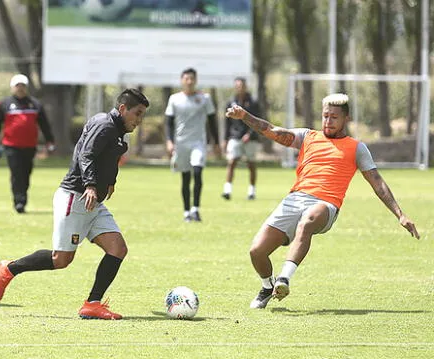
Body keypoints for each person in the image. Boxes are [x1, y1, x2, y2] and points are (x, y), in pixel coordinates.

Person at [225, 93, 420, 309]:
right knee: (257, 252)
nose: (328, 121)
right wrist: (244, 116)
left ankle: (284, 279)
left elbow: (377, 183)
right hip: (295, 198)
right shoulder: (308, 137)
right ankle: (267, 285)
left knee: (308, 221)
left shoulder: (357, 148)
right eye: (325, 116)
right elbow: (273, 131)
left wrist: (400, 214)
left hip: (326, 204)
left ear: (347, 118)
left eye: (334, 117)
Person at [0, 88, 150, 320]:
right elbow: (86, 154)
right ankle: (9, 269)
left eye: (142, 115)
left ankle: (92, 304)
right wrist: (90, 185)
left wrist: (110, 182)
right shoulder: (105, 125)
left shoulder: (115, 129)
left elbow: (107, 157)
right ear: (123, 108)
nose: (139, 120)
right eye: (137, 114)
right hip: (76, 197)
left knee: (118, 249)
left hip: (93, 203)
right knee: (61, 260)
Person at [0, 74, 55, 214]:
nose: (20, 89)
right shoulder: (5, 104)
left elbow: (44, 124)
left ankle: (22, 197)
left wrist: (50, 141)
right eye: (17, 86)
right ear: (12, 87)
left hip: (30, 146)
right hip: (11, 145)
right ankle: (19, 201)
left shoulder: (35, 104)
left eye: (23, 86)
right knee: (16, 172)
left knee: (26, 173)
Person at [165, 68, 220, 222]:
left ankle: (196, 209)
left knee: (197, 172)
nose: (189, 81)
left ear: (196, 80)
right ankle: (186, 212)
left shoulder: (204, 98)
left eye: (192, 79)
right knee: (185, 177)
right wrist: (169, 141)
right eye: (186, 79)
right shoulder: (174, 99)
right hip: (181, 143)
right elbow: (168, 123)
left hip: (198, 142)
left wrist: (216, 142)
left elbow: (212, 121)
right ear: (182, 80)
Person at [222, 77, 260, 200]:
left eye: (242, 85)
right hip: (235, 136)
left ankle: (251, 191)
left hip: (250, 138)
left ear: (245, 86)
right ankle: (227, 190)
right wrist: (225, 138)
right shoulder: (231, 102)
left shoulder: (253, 102)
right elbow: (227, 123)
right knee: (232, 162)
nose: (240, 88)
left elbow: (258, 120)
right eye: (237, 86)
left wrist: (249, 134)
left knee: (251, 164)